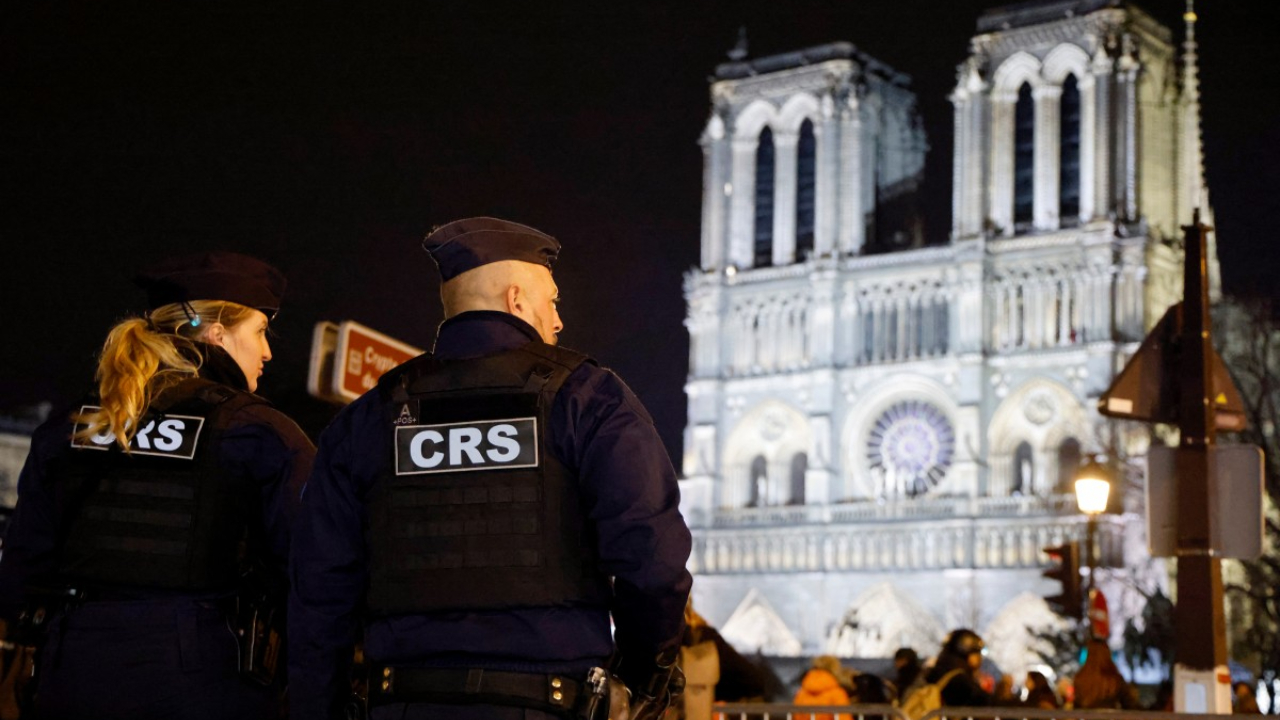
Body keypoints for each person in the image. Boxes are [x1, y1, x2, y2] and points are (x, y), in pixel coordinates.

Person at [288, 217, 693, 720]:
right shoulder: (587, 396)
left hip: (401, 701)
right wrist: (641, 676)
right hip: (549, 702)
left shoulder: (368, 416)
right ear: (517, 299)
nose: (559, 319)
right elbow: (652, 560)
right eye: (554, 301)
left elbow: (319, 588)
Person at [0, 251, 315, 718]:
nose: (267, 352)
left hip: (72, 666)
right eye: (260, 331)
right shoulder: (258, 431)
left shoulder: (78, 423)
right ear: (217, 333)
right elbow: (314, 569)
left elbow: (20, 569)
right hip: (200, 672)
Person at [921, 629, 993, 708]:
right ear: (966, 651)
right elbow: (983, 702)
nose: (980, 659)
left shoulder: (939, 670)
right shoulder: (957, 679)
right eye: (977, 652)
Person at [1072, 638, 1138, 710]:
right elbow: (1129, 704)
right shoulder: (1115, 680)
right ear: (1107, 654)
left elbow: (1077, 706)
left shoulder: (1080, 679)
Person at [793, 655, 853, 720]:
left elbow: (796, 716)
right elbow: (844, 717)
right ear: (834, 669)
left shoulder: (801, 693)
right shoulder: (837, 693)